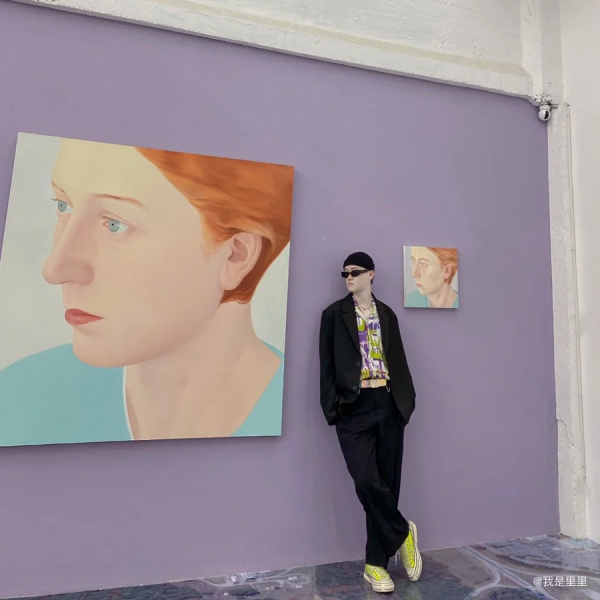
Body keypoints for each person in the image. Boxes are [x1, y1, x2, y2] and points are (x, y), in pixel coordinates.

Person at [0, 137, 293, 446]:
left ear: (235, 256)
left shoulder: (302, 414)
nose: (54, 268)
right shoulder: (18, 397)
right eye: (64, 206)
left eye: (115, 224)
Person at [319, 251, 421, 593]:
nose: (349, 277)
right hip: (353, 406)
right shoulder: (333, 315)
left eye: (355, 272)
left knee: (387, 484)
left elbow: (399, 360)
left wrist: (405, 404)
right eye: (345, 273)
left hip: (389, 403)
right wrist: (333, 408)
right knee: (366, 480)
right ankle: (403, 532)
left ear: (371, 275)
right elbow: (326, 366)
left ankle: (375, 565)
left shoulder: (387, 315)